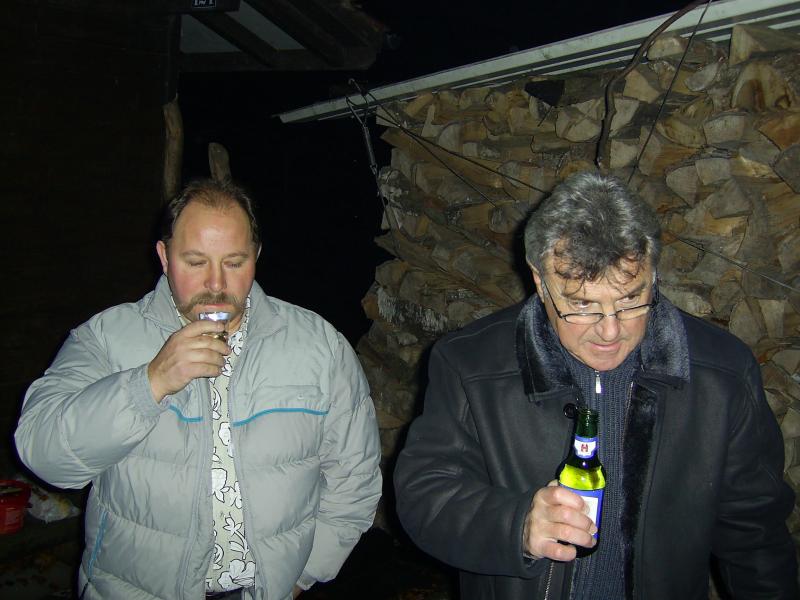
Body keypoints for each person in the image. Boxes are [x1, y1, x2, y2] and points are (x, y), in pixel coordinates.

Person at [393, 172, 797, 599]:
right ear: (540, 281)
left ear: (654, 274)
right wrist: (516, 525)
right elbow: (425, 495)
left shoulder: (722, 373)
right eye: (582, 305)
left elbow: (755, 532)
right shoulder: (470, 364)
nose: (610, 331)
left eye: (631, 299)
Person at [15, 179, 382, 600]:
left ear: (256, 256)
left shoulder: (320, 346)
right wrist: (150, 383)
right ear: (164, 257)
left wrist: (304, 575)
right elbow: (45, 456)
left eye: (234, 262)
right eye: (194, 262)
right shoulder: (104, 338)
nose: (216, 284)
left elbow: (355, 477)